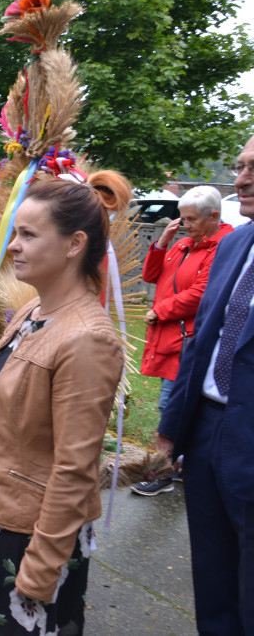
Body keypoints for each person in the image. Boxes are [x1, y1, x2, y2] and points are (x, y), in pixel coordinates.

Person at [0, 171, 131, 635]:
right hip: (1, 517)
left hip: (35, 537)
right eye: (15, 233)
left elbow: (75, 468)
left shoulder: (87, 339)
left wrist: (42, 565)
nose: (13, 246)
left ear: (75, 244)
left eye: (28, 234)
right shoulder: (35, 313)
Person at [156, 135, 254, 635]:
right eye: (240, 167)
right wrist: (174, 428)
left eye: (253, 168)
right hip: (207, 432)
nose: (241, 180)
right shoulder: (239, 242)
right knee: (213, 578)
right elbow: (205, 337)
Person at [132, 186, 232, 496]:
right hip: (172, 336)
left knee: (171, 404)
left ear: (213, 217)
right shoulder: (184, 244)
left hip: (190, 340)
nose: (184, 225)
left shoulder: (222, 246)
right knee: (177, 404)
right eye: (182, 218)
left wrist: (159, 310)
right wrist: (162, 243)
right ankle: (183, 467)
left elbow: (202, 293)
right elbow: (151, 276)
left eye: (190, 219)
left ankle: (163, 472)